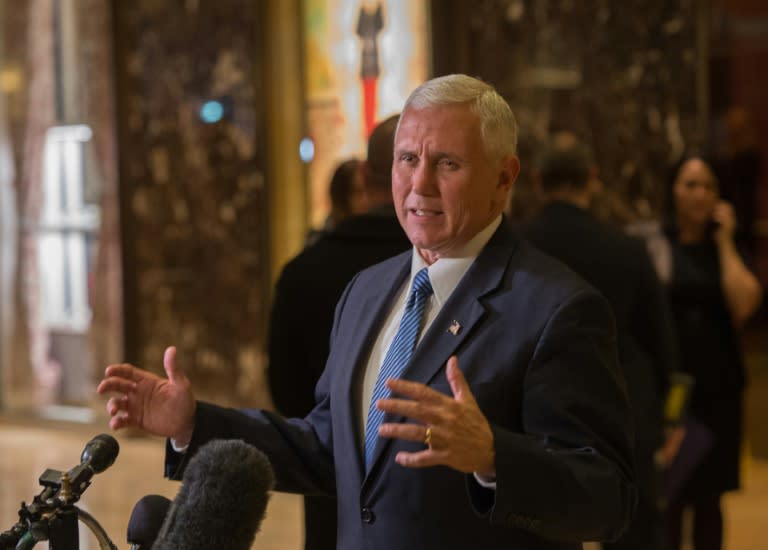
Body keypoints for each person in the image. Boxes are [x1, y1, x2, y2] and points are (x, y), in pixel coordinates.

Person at [98, 74, 636, 550]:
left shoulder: (558, 308)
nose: (419, 184)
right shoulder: (367, 290)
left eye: (447, 163)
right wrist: (194, 424)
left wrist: (494, 457)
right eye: (408, 159)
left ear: (504, 177)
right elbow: (327, 447)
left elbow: (607, 498)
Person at [522, 132, 676, 550]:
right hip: (624, 409)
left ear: (536, 179)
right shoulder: (627, 249)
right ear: (592, 178)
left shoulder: (516, 249)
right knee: (635, 530)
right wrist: (666, 414)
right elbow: (660, 343)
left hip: (533, 418)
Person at [267, 114, 410, 550]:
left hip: (328, 473)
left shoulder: (303, 270)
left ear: (364, 176)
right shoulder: (435, 265)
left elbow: (285, 386)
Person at [663, 155, 763, 550]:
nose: (700, 194)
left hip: (719, 390)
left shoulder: (727, 249)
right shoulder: (657, 244)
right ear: (673, 191)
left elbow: (745, 303)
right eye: (691, 185)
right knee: (670, 495)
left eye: (709, 186)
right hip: (671, 391)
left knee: (710, 498)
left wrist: (724, 241)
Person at [305, 158, 367, 247]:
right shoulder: (320, 241)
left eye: (368, 192)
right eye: (358, 192)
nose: (365, 199)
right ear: (341, 197)